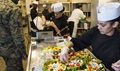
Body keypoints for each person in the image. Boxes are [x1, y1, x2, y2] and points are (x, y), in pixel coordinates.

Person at [60, 2, 120, 71]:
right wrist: (66, 47)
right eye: (98, 23)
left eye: (102, 25)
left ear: (115, 24)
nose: (99, 27)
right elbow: (78, 41)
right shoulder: (95, 31)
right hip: (92, 67)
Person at [0, 0, 27, 71]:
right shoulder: (14, 9)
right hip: (13, 51)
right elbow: (17, 36)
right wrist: (23, 52)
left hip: (2, 48)